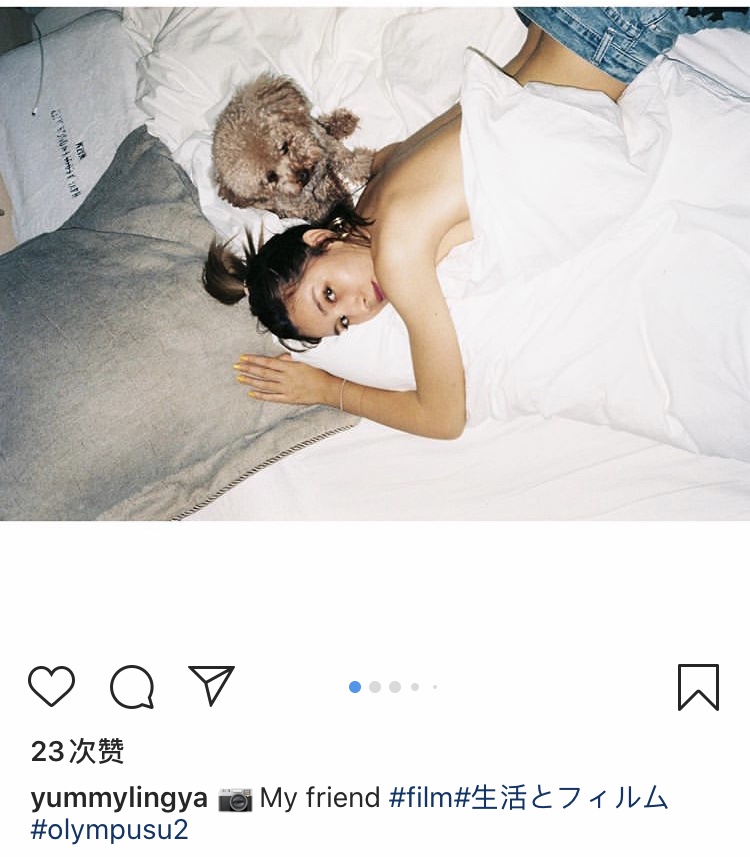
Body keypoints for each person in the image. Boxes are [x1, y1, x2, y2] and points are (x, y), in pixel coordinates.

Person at [203, 7, 750, 440]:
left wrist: (326, 390)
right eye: (343, 322)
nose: (361, 306)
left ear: (322, 238)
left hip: (610, 32)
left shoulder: (398, 255)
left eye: (329, 294)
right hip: (565, 23)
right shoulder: (380, 182)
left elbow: (443, 417)